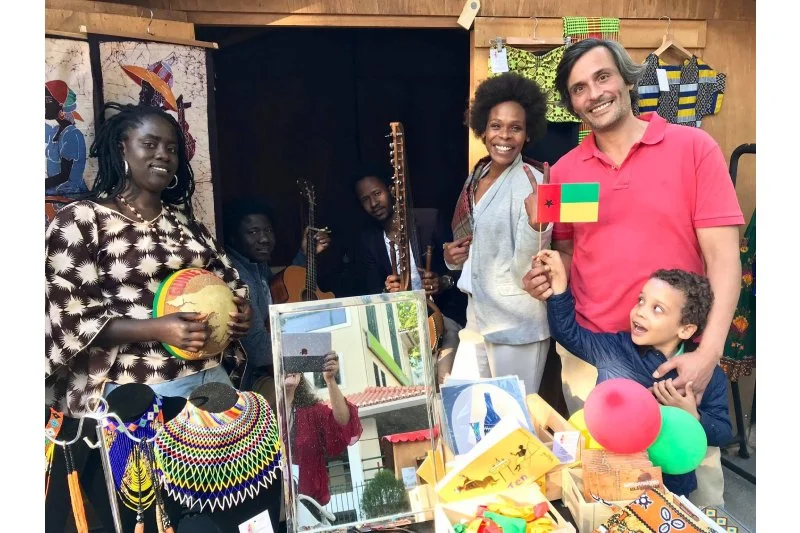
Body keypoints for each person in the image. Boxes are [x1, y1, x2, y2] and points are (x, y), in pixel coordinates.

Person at [523, 39, 743, 410]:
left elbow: (723, 260)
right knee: (598, 467)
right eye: (579, 89)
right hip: (592, 356)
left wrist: (708, 354)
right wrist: (546, 275)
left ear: (626, 80)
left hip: (675, 356)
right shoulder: (564, 173)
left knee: (687, 464)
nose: (594, 94)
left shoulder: (694, 148)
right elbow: (568, 254)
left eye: (602, 77)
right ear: (572, 103)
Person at [45, 102, 252, 416]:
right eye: (150, 144)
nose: (163, 155)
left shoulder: (186, 224)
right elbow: (71, 319)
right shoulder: (82, 220)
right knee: (152, 468)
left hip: (212, 376)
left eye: (171, 148)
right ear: (122, 148)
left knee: (229, 464)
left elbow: (230, 284)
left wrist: (240, 314)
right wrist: (158, 329)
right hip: (142, 386)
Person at [537, 249, 732, 502]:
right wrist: (560, 290)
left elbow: (723, 432)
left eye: (657, 309)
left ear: (686, 329)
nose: (640, 311)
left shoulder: (706, 375)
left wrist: (692, 415)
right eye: (641, 300)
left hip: (669, 489)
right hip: (611, 479)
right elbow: (568, 334)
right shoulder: (615, 349)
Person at [442, 72, 552, 394]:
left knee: (514, 425)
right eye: (496, 125)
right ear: (482, 128)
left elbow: (527, 269)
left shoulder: (535, 183)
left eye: (515, 127)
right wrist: (452, 258)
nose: (504, 135)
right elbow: (479, 248)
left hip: (517, 326)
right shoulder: (476, 176)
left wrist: (536, 225)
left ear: (527, 133)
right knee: (466, 415)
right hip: (476, 318)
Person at [353, 173, 462, 383]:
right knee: (412, 383)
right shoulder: (369, 240)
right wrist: (386, 291)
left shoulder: (428, 220)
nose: (373, 203)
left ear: (391, 190)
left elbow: (460, 269)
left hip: (445, 319)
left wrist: (442, 282)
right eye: (365, 199)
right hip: (403, 327)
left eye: (377, 193)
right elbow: (371, 292)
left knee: (444, 379)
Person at [223, 198, 331, 391]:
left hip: (275, 367)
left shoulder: (256, 263)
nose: (264, 239)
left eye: (268, 230)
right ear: (233, 238)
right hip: (254, 380)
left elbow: (281, 288)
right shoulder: (239, 279)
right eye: (253, 232)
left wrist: (306, 254)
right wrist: (319, 345)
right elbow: (259, 351)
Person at [284, 352, 362, 506]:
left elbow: (343, 425)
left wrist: (330, 379)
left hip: (310, 506)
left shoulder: (312, 411)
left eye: (295, 364)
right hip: (275, 507)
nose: (290, 368)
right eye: (284, 364)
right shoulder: (262, 410)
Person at [45, 80, 89, 195]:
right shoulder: (56, 131)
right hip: (53, 194)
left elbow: (64, 176)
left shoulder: (71, 135)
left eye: (47, 101)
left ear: (61, 106)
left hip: (69, 198)